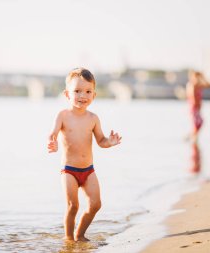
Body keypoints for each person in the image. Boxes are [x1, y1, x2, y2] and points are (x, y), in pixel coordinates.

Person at [47, 67, 122, 242]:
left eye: (88, 91)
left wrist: (109, 143)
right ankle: (68, 239)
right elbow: (53, 134)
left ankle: (80, 234)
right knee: (73, 205)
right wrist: (53, 142)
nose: (83, 95)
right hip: (69, 171)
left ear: (94, 95)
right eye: (77, 91)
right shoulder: (63, 115)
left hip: (88, 171)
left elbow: (101, 141)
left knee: (96, 204)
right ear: (67, 95)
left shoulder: (93, 118)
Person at [186, 70, 210, 141]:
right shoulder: (192, 85)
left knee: (199, 124)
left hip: (196, 108)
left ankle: (193, 138)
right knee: (198, 124)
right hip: (194, 108)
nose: (197, 78)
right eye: (196, 76)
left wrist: (203, 77)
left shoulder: (197, 85)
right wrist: (197, 106)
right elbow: (193, 97)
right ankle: (192, 139)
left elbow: (209, 85)